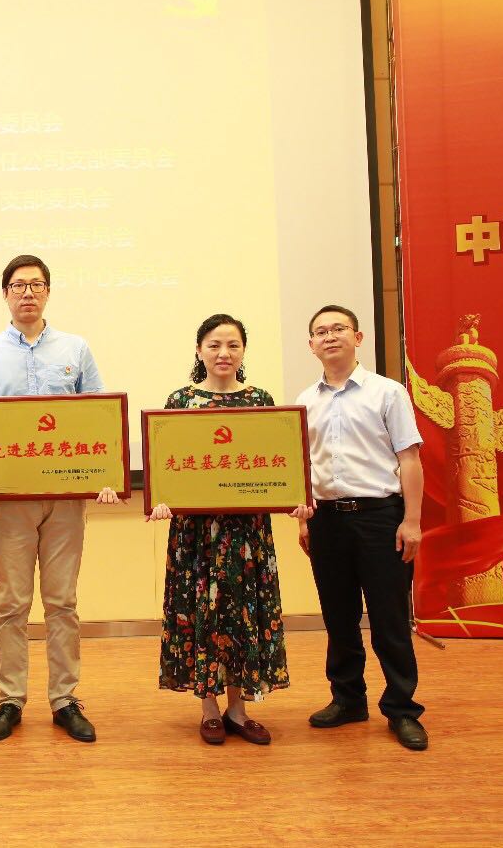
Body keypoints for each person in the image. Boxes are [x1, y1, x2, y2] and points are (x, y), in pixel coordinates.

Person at [0, 254, 122, 744]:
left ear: (48, 291)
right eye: (18, 285)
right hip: (10, 499)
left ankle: (64, 699)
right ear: (5, 294)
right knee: (12, 603)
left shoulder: (76, 348)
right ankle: (10, 699)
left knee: (62, 602)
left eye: (36, 284)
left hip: (65, 499)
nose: (27, 292)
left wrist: (107, 474)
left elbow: (98, 415)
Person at [146, 314, 290, 746]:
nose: (223, 353)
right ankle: (209, 708)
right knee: (202, 612)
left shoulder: (261, 400)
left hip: (247, 531)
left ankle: (238, 710)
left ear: (243, 351)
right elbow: (167, 462)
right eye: (214, 345)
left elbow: (277, 461)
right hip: (196, 534)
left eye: (232, 345)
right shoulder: (180, 401)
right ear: (199, 351)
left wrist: (293, 494)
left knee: (242, 613)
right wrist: (161, 497)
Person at [297, 304, 428, 751]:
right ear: (311, 345)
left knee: (390, 618)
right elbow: (304, 466)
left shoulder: (388, 393)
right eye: (320, 332)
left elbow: (409, 458)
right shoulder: (304, 401)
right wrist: (306, 519)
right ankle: (348, 699)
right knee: (339, 617)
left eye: (338, 328)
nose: (329, 336)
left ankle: (402, 709)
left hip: (380, 517)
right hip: (326, 520)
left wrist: (412, 521)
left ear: (358, 338)